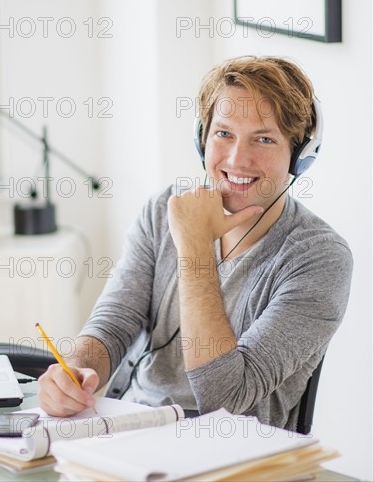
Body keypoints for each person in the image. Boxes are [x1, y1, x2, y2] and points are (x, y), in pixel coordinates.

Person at [38, 56, 353, 430]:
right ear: (201, 138)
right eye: (224, 133)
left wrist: (194, 248)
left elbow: (226, 399)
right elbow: (114, 323)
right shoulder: (163, 209)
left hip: (228, 455)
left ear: (300, 156)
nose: (237, 159)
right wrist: (74, 372)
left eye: (264, 139)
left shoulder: (320, 259)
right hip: (126, 433)